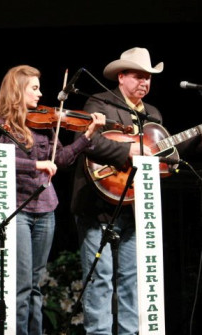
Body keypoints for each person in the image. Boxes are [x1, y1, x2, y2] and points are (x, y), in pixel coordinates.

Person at [0, 65, 105, 335]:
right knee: (21, 285)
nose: (40, 94)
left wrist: (87, 135)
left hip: (46, 208)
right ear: (17, 91)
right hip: (17, 210)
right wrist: (36, 165)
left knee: (36, 285)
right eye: (34, 88)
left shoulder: (44, 124)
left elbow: (60, 160)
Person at [70, 47, 168, 334]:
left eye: (148, 78)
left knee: (132, 278)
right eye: (138, 76)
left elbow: (163, 153)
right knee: (99, 279)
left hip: (136, 208)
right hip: (98, 204)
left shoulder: (154, 115)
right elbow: (87, 142)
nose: (145, 82)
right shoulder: (99, 102)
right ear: (121, 76)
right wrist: (129, 150)